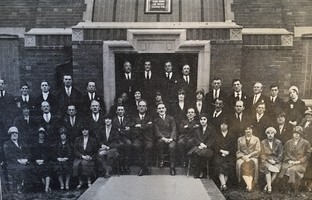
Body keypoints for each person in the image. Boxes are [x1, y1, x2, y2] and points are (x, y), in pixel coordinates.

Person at [278, 126, 311, 196]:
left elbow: (307, 155)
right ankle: (287, 188)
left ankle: (295, 189)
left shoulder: (305, 143)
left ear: (301, 134)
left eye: (298, 133)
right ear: (292, 134)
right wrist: (289, 160)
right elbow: (284, 153)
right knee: (284, 168)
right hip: (289, 162)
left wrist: (299, 161)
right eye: (295, 133)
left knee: (292, 170)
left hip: (300, 163)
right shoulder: (288, 142)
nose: (296, 135)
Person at [3, 127, 30, 194]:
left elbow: (28, 153)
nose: (14, 134)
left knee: (32, 168)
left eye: (16, 133)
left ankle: (29, 188)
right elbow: (9, 155)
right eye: (13, 133)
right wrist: (19, 161)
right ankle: (19, 188)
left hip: (24, 162)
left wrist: (26, 159)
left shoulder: (22, 143)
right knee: (20, 169)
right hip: (12, 163)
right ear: (10, 134)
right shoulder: (7, 144)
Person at [188, 113, 215, 179]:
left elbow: (212, 140)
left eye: (204, 119)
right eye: (201, 119)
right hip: (199, 146)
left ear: (207, 120)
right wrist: (200, 144)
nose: (203, 121)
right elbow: (195, 138)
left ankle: (201, 171)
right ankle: (198, 171)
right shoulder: (197, 129)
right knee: (198, 152)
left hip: (208, 148)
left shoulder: (211, 129)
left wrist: (205, 146)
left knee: (199, 152)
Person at [154, 103, 177, 175]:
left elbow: (174, 129)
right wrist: (163, 138)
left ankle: (172, 167)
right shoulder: (156, 120)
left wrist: (171, 138)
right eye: (159, 108)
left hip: (170, 138)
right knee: (160, 143)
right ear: (157, 110)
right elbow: (156, 131)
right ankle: (161, 160)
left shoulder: (171, 118)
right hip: (161, 138)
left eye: (162, 108)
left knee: (172, 146)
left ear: (165, 109)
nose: (161, 110)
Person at [132, 100, 154, 176]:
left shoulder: (150, 117)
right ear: (137, 107)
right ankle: (145, 167)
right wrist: (145, 126)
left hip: (147, 138)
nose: (142, 107)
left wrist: (140, 126)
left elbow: (150, 126)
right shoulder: (134, 117)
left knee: (149, 146)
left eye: (143, 106)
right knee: (136, 146)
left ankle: (143, 168)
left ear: (146, 108)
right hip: (137, 138)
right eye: (140, 106)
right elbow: (133, 128)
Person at [236, 125, 261, 192]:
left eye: (250, 129)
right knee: (243, 165)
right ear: (244, 131)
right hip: (242, 157)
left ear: (252, 130)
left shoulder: (256, 139)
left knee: (250, 164)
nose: (248, 131)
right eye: (246, 129)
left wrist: (249, 156)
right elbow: (238, 151)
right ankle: (249, 185)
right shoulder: (240, 139)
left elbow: (257, 150)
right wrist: (243, 157)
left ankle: (248, 185)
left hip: (252, 157)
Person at [213, 118, 236, 190]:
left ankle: (223, 184)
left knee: (229, 165)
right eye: (222, 124)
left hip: (229, 154)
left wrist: (228, 152)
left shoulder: (232, 135)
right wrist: (221, 151)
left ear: (227, 126)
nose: (223, 126)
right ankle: (223, 184)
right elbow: (215, 145)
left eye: (225, 124)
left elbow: (234, 146)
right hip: (219, 154)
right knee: (219, 164)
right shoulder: (217, 134)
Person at [260, 127, 283, 194]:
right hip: (266, 160)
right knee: (267, 169)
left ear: (274, 134)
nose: (270, 135)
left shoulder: (278, 142)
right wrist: (269, 160)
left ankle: (266, 186)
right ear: (266, 134)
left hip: (276, 160)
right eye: (268, 133)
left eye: (272, 133)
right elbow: (261, 154)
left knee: (276, 169)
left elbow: (281, 154)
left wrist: (275, 161)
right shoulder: (263, 142)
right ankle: (270, 187)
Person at [112, 104, 134, 173]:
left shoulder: (128, 119)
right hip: (116, 138)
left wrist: (120, 130)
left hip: (125, 138)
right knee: (119, 146)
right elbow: (114, 130)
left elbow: (129, 131)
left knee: (129, 144)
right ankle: (119, 166)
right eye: (119, 110)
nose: (120, 111)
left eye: (122, 110)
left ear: (124, 111)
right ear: (116, 111)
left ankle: (126, 166)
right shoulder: (113, 120)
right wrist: (124, 130)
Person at [30, 128, 52, 193]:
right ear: (38, 134)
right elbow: (32, 154)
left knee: (46, 170)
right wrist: (36, 160)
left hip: (45, 161)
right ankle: (47, 186)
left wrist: (43, 160)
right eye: (40, 133)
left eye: (43, 133)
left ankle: (46, 189)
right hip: (36, 162)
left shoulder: (47, 143)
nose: (41, 135)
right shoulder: (34, 144)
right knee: (37, 171)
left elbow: (49, 154)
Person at [300, 109, 312, 191]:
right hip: (303, 147)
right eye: (307, 115)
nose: (308, 116)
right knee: (303, 163)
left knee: (310, 165)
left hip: (310, 147)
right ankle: (303, 183)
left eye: (310, 115)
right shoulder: (303, 123)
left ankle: (309, 184)